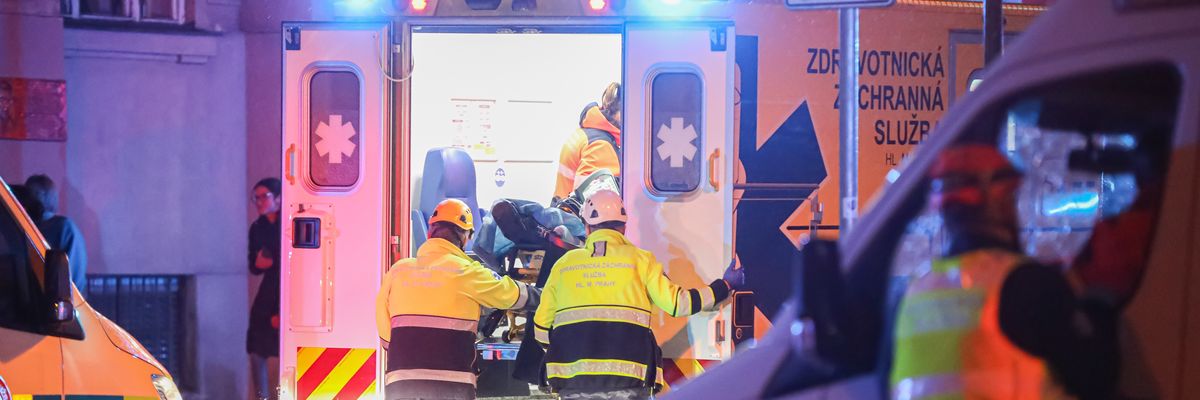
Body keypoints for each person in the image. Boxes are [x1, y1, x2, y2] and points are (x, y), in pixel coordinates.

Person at [890, 144, 1119, 400]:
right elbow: (1098, 377)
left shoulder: (909, 296)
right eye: (1012, 196)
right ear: (996, 199)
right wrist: (1098, 296)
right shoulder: (1027, 283)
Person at [533, 190, 744, 400]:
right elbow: (679, 304)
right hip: (629, 381)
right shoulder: (642, 261)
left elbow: (541, 326)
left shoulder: (564, 265)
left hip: (573, 383)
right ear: (623, 227)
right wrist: (724, 285)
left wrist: (564, 352)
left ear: (587, 228)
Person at [376, 199, 538, 400]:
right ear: (464, 236)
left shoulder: (397, 272)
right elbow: (512, 294)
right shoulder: (467, 272)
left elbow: (385, 337)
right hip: (452, 385)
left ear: (430, 231)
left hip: (402, 383)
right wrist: (543, 296)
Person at [553, 83, 623, 203]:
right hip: (575, 219)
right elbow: (594, 203)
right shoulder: (600, 144)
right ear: (620, 113)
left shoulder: (588, 133)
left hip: (564, 214)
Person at [247, 177, 282, 400]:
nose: (260, 202)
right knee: (256, 351)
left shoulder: (287, 224)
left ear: (278, 198)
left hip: (283, 298)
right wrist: (259, 263)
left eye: (264, 196)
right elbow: (253, 265)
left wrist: (281, 312)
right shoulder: (258, 227)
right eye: (256, 198)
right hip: (265, 301)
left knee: (277, 363)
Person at [24, 174, 88, 295]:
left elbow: (72, 280)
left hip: (58, 305)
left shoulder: (64, 228)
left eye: (33, 195)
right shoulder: (24, 227)